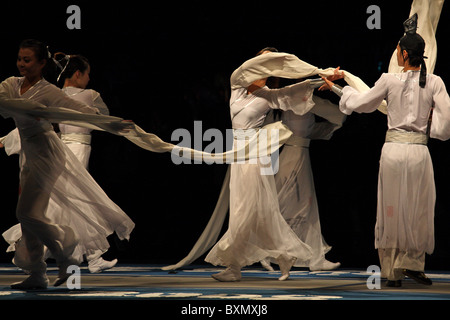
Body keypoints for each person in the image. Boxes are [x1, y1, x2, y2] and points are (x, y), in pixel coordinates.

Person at [320, 14, 450, 287]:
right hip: (418, 151)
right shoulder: (435, 82)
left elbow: (362, 103)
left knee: (391, 208)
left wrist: (335, 88)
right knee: (417, 207)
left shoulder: (389, 79)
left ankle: (392, 271)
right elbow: (444, 127)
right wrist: (429, 126)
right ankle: (411, 263)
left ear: (403, 54)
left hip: (393, 150)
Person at [0, 39, 135, 289]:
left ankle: (66, 245)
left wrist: (111, 123)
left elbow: (76, 111)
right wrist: (29, 111)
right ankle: (38, 274)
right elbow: (6, 107)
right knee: (32, 215)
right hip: (28, 153)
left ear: (42, 63)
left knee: (26, 213)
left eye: (27, 60)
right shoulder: (9, 84)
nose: (21, 64)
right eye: (19, 58)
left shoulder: (49, 91)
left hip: (46, 152)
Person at [204, 48, 340, 282]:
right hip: (238, 157)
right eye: (261, 60)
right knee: (243, 211)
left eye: (270, 64)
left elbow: (295, 91)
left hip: (256, 157)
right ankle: (249, 265)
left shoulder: (269, 95)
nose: (264, 66)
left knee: (253, 211)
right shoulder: (236, 84)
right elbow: (244, 70)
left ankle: (256, 262)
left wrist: (323, 76)